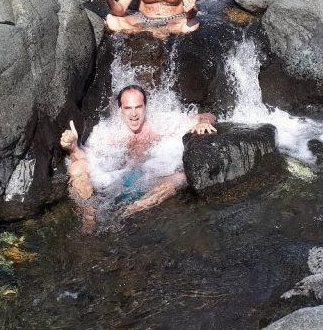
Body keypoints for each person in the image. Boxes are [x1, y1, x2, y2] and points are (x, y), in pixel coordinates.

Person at [59, 84, 216, 225]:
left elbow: (208, 115)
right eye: (128, 108)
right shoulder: (108, 132)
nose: (133, 114)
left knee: (181, 178)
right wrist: (73, 147)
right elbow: (85, 158)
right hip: (114, 181)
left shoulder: (159, 123)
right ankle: (89, 219)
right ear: (120, 109)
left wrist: (204, 122)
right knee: (77, 168)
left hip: (150, 181)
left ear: (145, 107)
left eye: (138, 107)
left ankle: (129, 213)